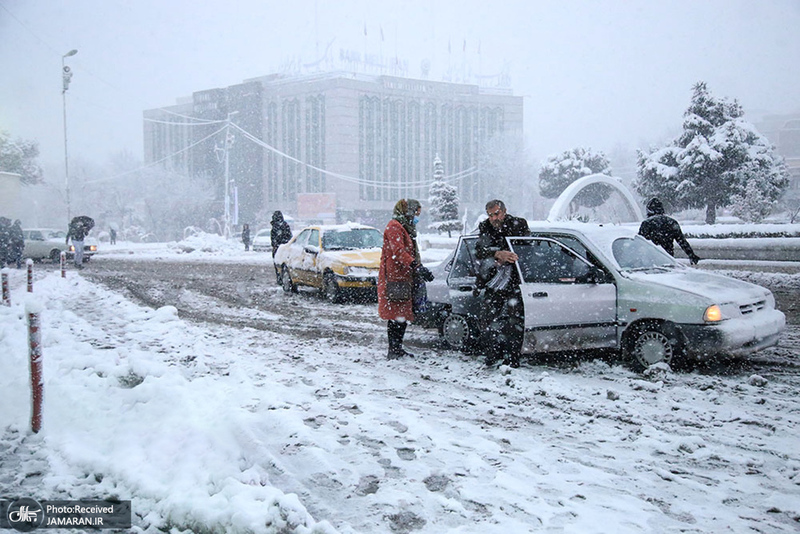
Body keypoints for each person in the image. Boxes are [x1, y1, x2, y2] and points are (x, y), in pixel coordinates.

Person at [475, 199, 530, 368]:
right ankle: (491, 355)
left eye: (496, 214)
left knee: (514, 322)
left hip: (515, 279)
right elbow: (479, 250)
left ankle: (512, 359)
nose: (493, 218)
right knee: (488, 319)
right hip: (493, 280)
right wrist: (497, 254)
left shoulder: (518, 224)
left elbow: (528, 246)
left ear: (504, 212)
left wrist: (512, 255)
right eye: (490, 215)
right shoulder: (485, 227)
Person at [378, 199, 433, 359]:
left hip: (404, 277)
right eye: (416, 213)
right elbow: (399, 252)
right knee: (396, 315)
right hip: (395, 278)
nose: (417, 217)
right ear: (407, 211)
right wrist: (416, 266)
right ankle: (393, 350)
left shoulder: (405, 227)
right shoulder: (395, 226)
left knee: (401, 314)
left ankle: (397, 348)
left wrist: (416, 268)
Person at [638, 198, 700, 264]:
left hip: (652, 259)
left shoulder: (647, 223)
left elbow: (639, 242)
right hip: (668, 258)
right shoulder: (672, 222)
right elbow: (682, 241)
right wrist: (691, 255)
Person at [270, 211, 292, 282]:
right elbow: (289, 237)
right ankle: (284, 278)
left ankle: (279, 278)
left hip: (278, 248)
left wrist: (276, 245)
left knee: (278, 264)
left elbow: (273, 239)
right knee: (284, 264)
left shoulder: (275, 227)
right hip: (285, 248)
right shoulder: (285, 225)